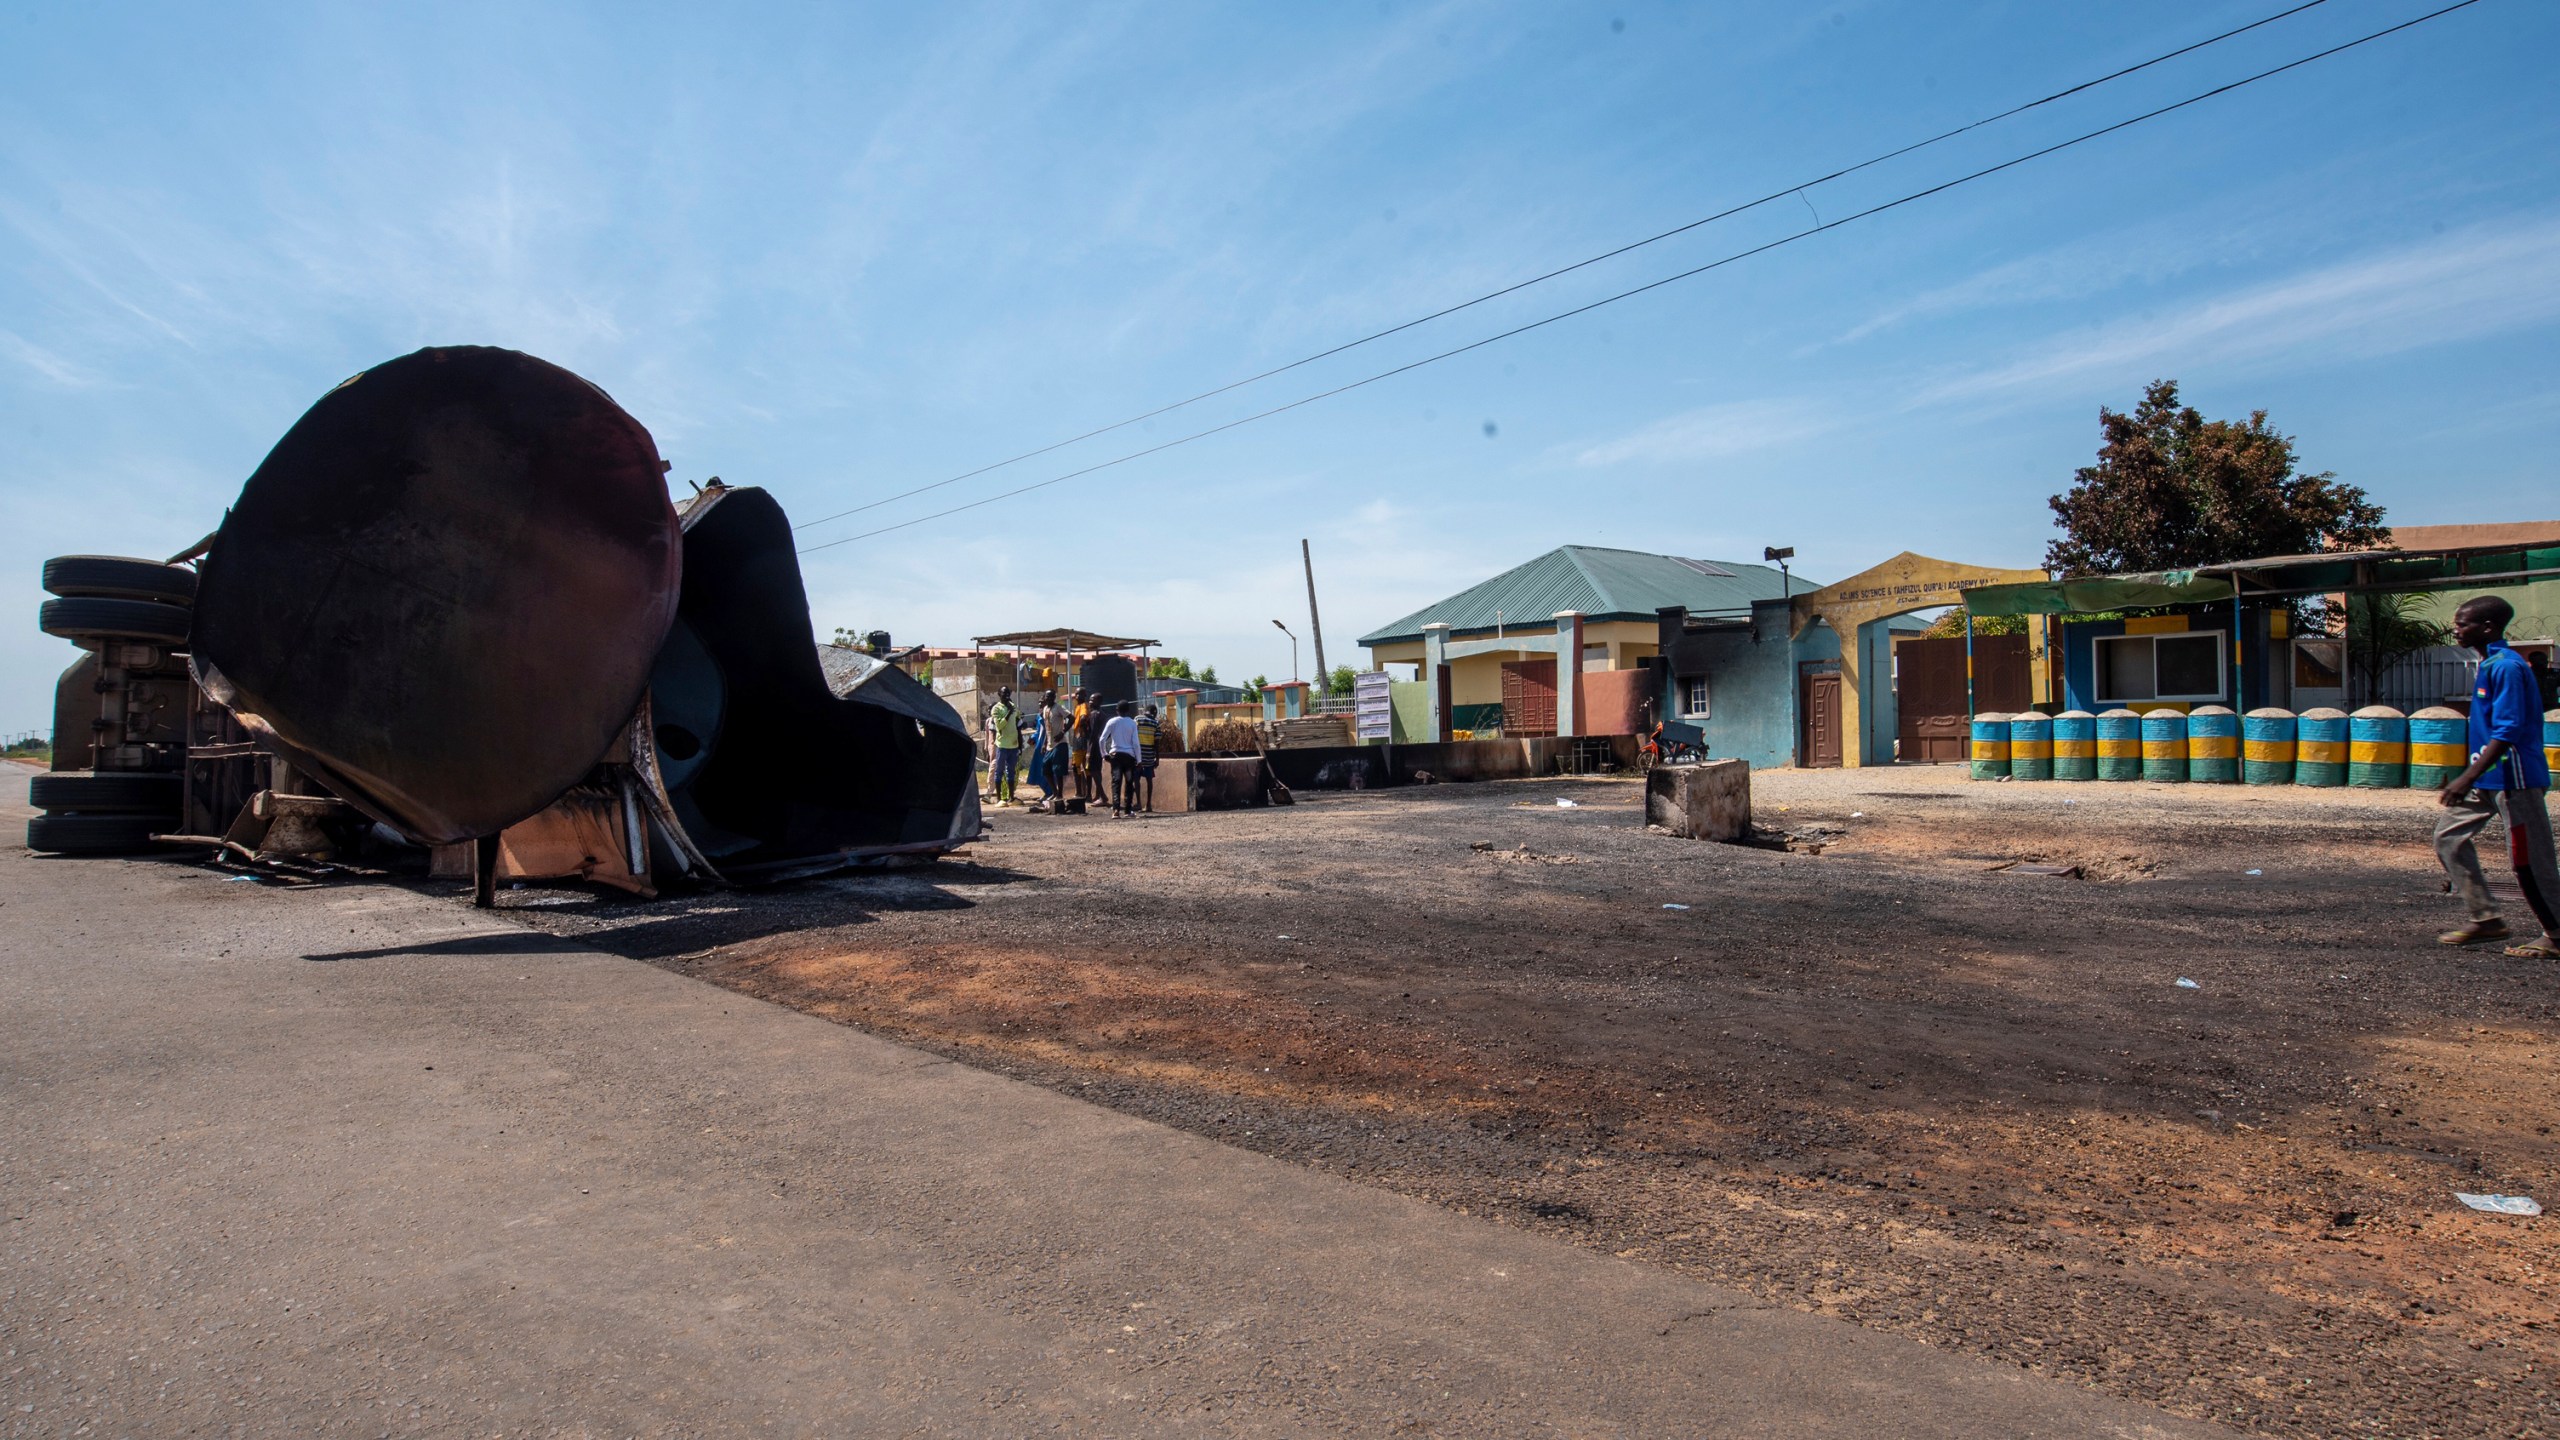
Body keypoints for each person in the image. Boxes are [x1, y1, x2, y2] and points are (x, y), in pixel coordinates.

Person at [2434, 594, 2560, 958]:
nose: (2456, 630)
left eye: (2462, 624)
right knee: (2448, 838)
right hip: (2487, 777)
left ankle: (2556, 933)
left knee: (2529, 860)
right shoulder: (2489, 664)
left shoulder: (2506, 666)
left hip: (2514, 778)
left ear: (2487, 627)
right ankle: (2486, 918)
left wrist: (2466, 777)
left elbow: (2507, 730)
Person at [1101, 700, 1142, 817]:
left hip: (1116, 757)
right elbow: (1135, 743)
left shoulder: (1112, 722)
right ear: (1128, 710)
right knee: (1129, 783)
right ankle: (1128, 810)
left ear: (1116, 710)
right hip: (1129, 758)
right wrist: (1139, 760)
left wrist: (1104, 754)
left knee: (1116, 782)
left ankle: (1116, 811)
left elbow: (1101, 740)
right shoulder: (1132, 723)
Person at [985, 686, 1021, 806]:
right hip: (1002, 745)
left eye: (1008, 693)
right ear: (999, 694)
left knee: (1011, 771)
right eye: (1004, 693)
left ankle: (1011, 797)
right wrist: (1009, 713)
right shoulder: (996, 709)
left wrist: (1020, 744)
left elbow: (1018, 723)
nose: (1006, 695)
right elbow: (999, 726)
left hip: (1013, 744)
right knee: (999, 771)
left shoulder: (1013, 706)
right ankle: (1000, 798)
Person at [1039, 690, 1072, 809]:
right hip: (1049, 744)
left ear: (1054, 697)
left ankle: (1060, 794)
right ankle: (1054, 791)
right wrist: (1044, 744)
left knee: (1058, 770)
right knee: (1046, 768)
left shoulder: (1059, 708)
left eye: (1051, 696)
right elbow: (1047, 728)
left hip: (1060, 743)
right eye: (1047, 696)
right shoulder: (1045, 710)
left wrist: (1063, 732)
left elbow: (1071, 718)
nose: (1048, 698)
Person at [1134, 703, 1162, 812]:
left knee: (1136, 779)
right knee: (1149, 780)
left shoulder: (1137, 719)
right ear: (1154, 713)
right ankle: (1148, 804)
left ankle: (1138, 803)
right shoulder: (1156, 723)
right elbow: (1157, 743)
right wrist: (1157, 758)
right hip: (1149, 756)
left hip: (1137, 755)